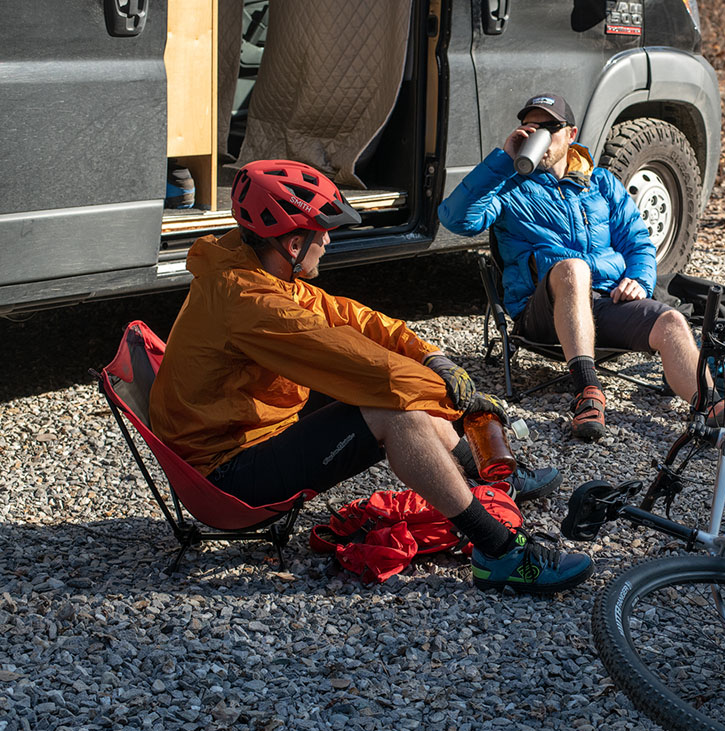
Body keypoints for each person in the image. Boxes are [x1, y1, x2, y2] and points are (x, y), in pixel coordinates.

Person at [148, 159, 592, 594]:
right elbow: (367, 367)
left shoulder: (249, 266)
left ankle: (488, 477)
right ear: (293, 243)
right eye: (323, 231)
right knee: (396, 412)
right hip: (226, 482)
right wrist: (455, 399)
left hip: (241, 438)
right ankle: (501, 554)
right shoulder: (252, 304)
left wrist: (431, 356)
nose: (328, 240)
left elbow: (351, 319)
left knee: (399, 392)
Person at [438, 93, 725, 441]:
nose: (538, 134)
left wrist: (639, 279)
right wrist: (502, 161)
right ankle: (587, 392)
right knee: (573, 269)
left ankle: (711, 407)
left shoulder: (600, 183)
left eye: (549, 127)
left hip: (603, 303)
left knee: (671, 320)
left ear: (571, 134)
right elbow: (455, 219)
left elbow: (638, 243)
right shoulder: (509, 187)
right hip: (543, 311)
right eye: (530, 127)